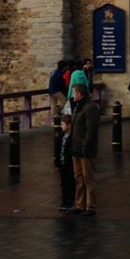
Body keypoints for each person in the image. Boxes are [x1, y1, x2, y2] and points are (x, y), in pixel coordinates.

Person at [70, 81, 100, 213]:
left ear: (79, 94)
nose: (72, 96)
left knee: (88, 178)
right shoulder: (78, 106)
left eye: (74, 93)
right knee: (79, 178)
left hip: (85, 149)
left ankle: (90, 206)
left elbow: (91, 130)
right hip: (76, 148)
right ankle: (79, 204)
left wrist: (85, 147)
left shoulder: (90, 108)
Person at [55, 112, 75, 211]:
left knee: (70, 183)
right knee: (63, 184)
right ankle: (64, 201)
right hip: (62, 163)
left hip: (69, 164)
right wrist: (56, 162)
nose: (61, 126)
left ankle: (70, 202)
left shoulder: (72, 137)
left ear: (69, 125)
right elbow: (57, 149)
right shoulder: (60, 136)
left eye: (63, 124)